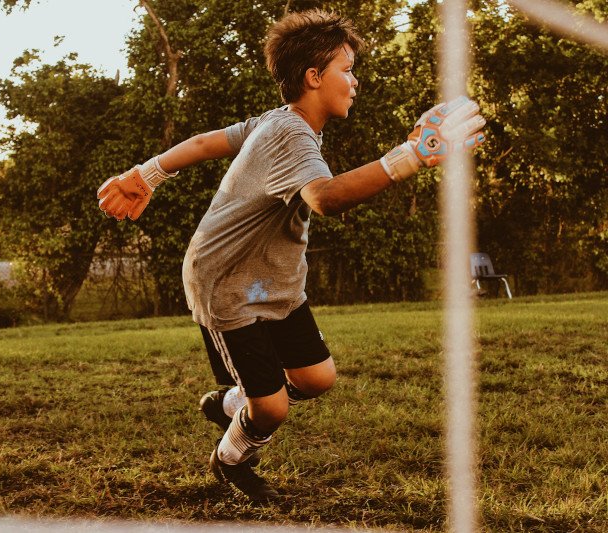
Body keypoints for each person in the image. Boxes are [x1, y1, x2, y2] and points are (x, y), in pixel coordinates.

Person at [96, 9, 485, 502]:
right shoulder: (289, 134)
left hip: (273, 283)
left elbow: (203, 142)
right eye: (347, 69)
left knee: (317, 378)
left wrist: (146, 174)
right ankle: (232, 457)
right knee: (273, 409)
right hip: (229, 286)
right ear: (313, 76)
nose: (355, 81)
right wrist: (410, 155)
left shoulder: (276, 122)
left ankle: (234, 401)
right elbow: (324, 198)